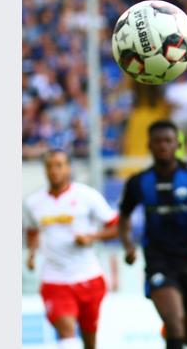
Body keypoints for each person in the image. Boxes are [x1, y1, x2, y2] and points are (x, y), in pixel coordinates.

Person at [118, 120, 187, 349]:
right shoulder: (138, 182)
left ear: (177, 144)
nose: (163, 146)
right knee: (175, 322)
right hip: (158, 259)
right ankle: (171, 327)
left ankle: (171, 331)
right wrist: (128, 246)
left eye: (168, 141)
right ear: (149, 145)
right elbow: (123, 217)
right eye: (158, 141)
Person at [23, 149, 119, 349]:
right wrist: (31, 254)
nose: (54, 171)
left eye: (59, 165)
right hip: (55, 280)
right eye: (49, 166)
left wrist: (92, 237)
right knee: (66, 332)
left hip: (88, 278)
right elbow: (32, 231)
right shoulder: (34, 203)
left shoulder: (87, 196)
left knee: (89, 340)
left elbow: (116, 227)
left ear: (68, 168)